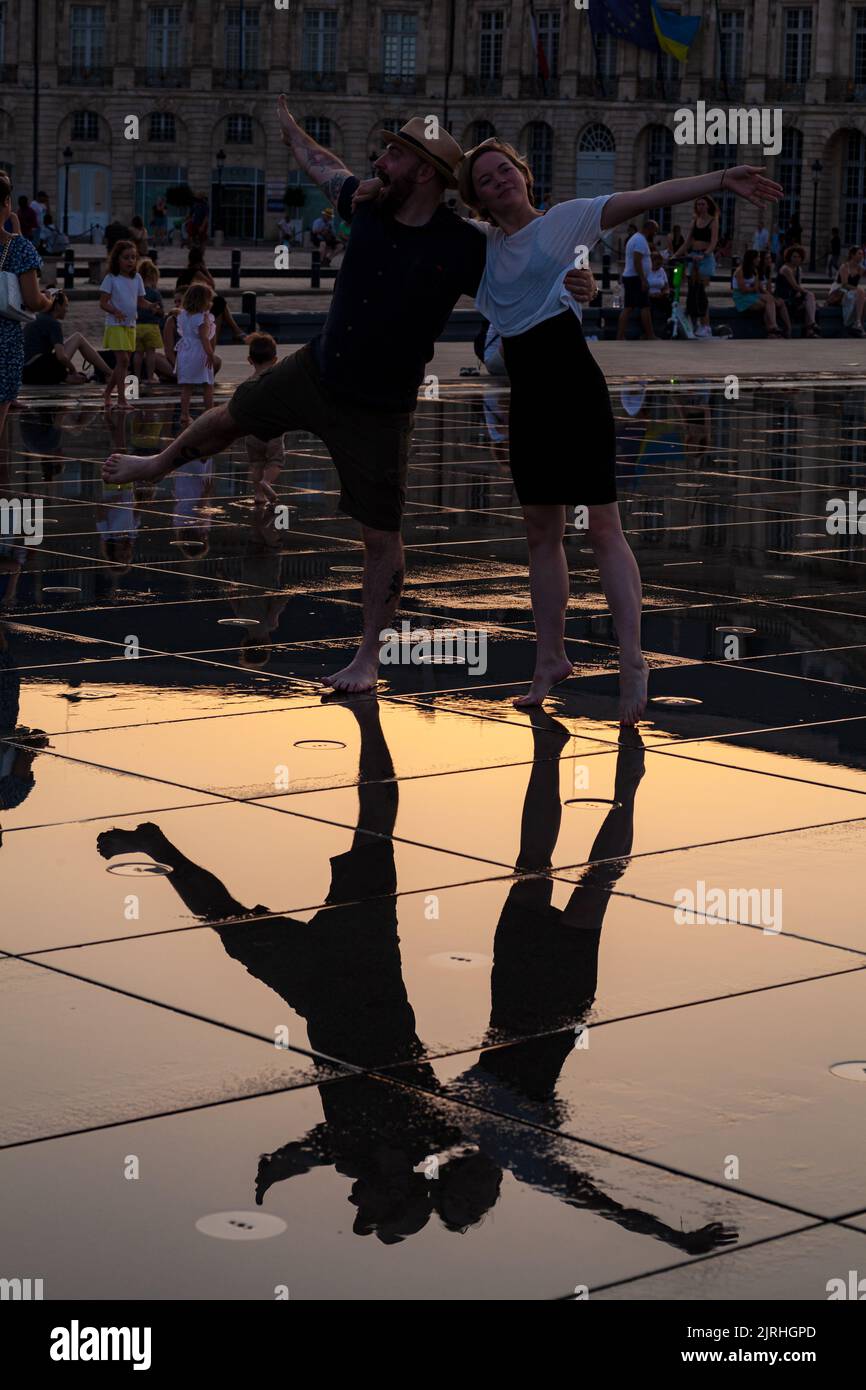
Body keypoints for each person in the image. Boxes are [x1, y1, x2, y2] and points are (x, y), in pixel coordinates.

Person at [102, 98, 493, 697]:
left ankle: (366, 657)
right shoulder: (367, 204)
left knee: (380, 535)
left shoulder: (463, 244)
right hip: (317, 370)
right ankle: (156, 463)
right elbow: (324, 165)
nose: (379, 160)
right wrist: (290, 132)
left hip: (381, 408)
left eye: (393, 153)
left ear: (423, 173)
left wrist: (575, 272)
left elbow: (528, 242)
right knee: (232, 415)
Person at [449, 142, 780, 717]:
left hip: (574, 389)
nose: (500, 179)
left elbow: (648, 196)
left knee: (603, 527)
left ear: (524, 174)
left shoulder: (568, 219)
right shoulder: (481, 248)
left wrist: (723, 179)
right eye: (485, 178)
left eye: (506, 168)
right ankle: (549, 657)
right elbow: (411, 212)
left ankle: (632, 659)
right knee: (539, 534)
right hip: (527, 399)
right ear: (475, 195)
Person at [0, 175, 53, 431]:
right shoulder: (20, 248)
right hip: (4, 341)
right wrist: (49, 300)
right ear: (7, 202)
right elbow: (32, 300)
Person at [98, 238, 149, 409]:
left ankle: (107, 393)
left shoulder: (137, 279)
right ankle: (121, 399)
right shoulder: (111, 278)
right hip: (115, 324)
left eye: (133, 257)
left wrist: (153, 307)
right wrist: (115, 311)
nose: (130, 261)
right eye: (126, 257)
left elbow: (141, 301)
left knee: (123, 363)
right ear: (117, 259)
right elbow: (103, 302)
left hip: (130, 324)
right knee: (124, 360)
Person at [22, 290, 111, 384]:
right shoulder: (53, 323)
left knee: (77, 377)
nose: (67, 309)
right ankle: (109, 373)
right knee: (78, 338)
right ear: (57, 306)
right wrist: (73, 370)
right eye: (66, 305)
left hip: (25, 373)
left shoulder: (36, 317)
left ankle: (67, 377)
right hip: (39, 369)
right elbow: (61, 357)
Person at [242, 333, 285, 504]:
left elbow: (240, 408)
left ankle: (258, 495)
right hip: (273, 431)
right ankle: (266, 482)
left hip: (253, 433)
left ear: (249, 360)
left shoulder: (247, 383)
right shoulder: (277, 382)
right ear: (275, 359)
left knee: (256, 462)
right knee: (276, 461)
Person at [174, 247, 246, 343]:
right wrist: (205, 269)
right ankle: (229, 333)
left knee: (219, 305)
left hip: (187, 304)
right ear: (201, 259)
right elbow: (212, 284)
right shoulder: (196, 272)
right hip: (190, 307)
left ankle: (232, 331)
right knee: (220, 303)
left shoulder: (184, 273)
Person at [679, 195, 719, 338]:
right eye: (698, 204)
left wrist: (705, 254)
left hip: (705, 258)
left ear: (708, 206)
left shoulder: (712, 221)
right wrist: (675, 254)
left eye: (703, 204)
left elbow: (714, 241)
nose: (700, 207)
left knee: (701, 292)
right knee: (693, 291)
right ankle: (696, 323)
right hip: (693, 257)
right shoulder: (695, 221)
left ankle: (706, 325)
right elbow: (688, 241)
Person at [175, 282, 216, 425]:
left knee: (187, 386)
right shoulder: (202, 318)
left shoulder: (183, 315)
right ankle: (209, 413)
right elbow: (204, 338)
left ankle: (184, 414)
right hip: (199, 351)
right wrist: (210, 354)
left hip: (185, 352)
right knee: (208, 384)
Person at [616, 218, 658, 341]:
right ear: (648, 229)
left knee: (629, 307)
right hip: (635, 279)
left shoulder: (637, 238)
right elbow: (637, 260)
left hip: (631, 277)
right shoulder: (640, 240)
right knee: (644, 306)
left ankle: (620, 336)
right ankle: (650, 335)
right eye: (654, 231)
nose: (655, 234)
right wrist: (643, 279)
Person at [731, 248, 784, 336]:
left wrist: (751, 288)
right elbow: (743, 290)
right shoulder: (739, 271)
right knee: (766, 305)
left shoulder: (754, 270)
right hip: (741, 297)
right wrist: (751, 288)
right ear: (752, 259)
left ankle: (772, 328)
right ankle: (772, 328)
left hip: (751, 294)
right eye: (758, 257)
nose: (759, 259)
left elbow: (755, 288)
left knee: (769, 300)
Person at [776, 244, 819, 337]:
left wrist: (801, 292)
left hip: (793, 295)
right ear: (789, 257)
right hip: (784, 296)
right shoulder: (785, 269)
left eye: (799, 257)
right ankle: (811, 325)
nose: (797, 259)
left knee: (809, 301)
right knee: (809, 296)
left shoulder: (798, 269)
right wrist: (805, 292)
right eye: (794, 257)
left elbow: (798, 286)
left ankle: (810, 330)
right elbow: (795, 286)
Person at [133, 258, 165, 383]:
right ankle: (150, 377)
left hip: (137, 326)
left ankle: (137, 377)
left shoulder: (136, 293)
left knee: (138, 353)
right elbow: (160, 311)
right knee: (150, 353)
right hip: (151, 327)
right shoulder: (155, 293)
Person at [827, 245, 866, 336]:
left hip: (852, 293)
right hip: (840, 291)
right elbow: (844, 284)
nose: (862, 256)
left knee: (864, 299)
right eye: (859, 254)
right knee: (861, 291)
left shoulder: (861, 269)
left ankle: (859, 324)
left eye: (863, 254)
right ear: (852, 255)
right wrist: (859, 290)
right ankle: (857, 323)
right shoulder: (845, 266)